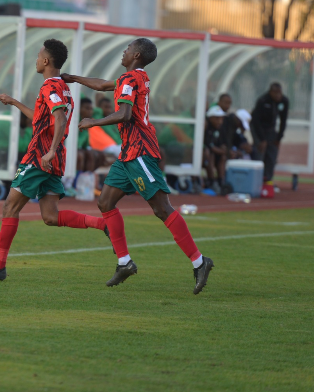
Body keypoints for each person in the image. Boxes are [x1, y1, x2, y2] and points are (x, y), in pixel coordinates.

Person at [62, 38, 214, 294]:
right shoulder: (131, 78)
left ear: (137, 55)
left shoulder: (131, 80)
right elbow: (101, 85)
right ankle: (124, 262)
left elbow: (124, 114)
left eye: (128, 48)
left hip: (140, 152)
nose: (124, 50)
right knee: (105, 203)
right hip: (127, 154)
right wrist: (73, 78)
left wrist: (92, 122)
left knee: (162, 209)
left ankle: (200, 262)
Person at [0, 39, 109, 281]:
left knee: (9, 206)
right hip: (52, 158)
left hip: (39, 157)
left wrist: (50, 150)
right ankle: (103, 225)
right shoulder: (63, 88)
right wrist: (13, 102)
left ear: (45, 61)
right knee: (50, 217)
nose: (35, 59)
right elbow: (42, 120)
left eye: (38, 56)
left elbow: (60, 119)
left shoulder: (50, 87)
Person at [251, 82, 289, 184]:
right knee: (260, 153)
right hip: (258, 128)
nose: (278, 96)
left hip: (271, 129)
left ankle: (268, 180)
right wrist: (261, 140)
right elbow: (256, 122)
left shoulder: (284, 101)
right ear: (270, 92)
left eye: (279, 93)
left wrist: (279, 138)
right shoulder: (262, 101)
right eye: (275, 93)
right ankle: (256, 180)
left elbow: (283, 121)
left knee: (272, 154)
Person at [204, 105, 228, 193]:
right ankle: (211, 180)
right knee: (211, 155)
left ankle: (221, 181)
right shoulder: (207, 128)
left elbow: (222, 144)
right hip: (206, 156)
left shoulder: (221, 129)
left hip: (217, 154)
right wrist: (223, 151)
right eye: (217, 119)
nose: (220, 121)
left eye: (221, 119)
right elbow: (210, 146)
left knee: (223, 157)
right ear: (210, 118)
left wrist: (224, 149)